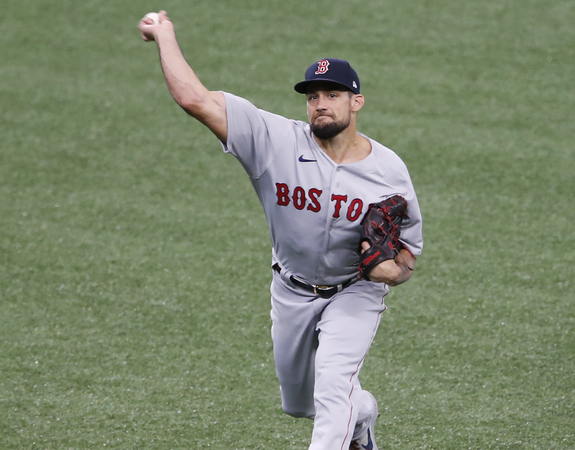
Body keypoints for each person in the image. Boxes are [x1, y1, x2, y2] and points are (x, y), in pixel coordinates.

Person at [138, 11, 423, 450]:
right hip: (290, 289)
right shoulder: (275, 141)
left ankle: (345, 420)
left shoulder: (388, 171)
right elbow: (196, 99)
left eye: (332, 94)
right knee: (301, 404)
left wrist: (393, 273)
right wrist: (165, 35)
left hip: (354, 291)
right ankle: (362, 417)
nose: (320, 103)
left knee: (332, 389)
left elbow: (407, 254)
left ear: (356, 102)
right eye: (312, 96)